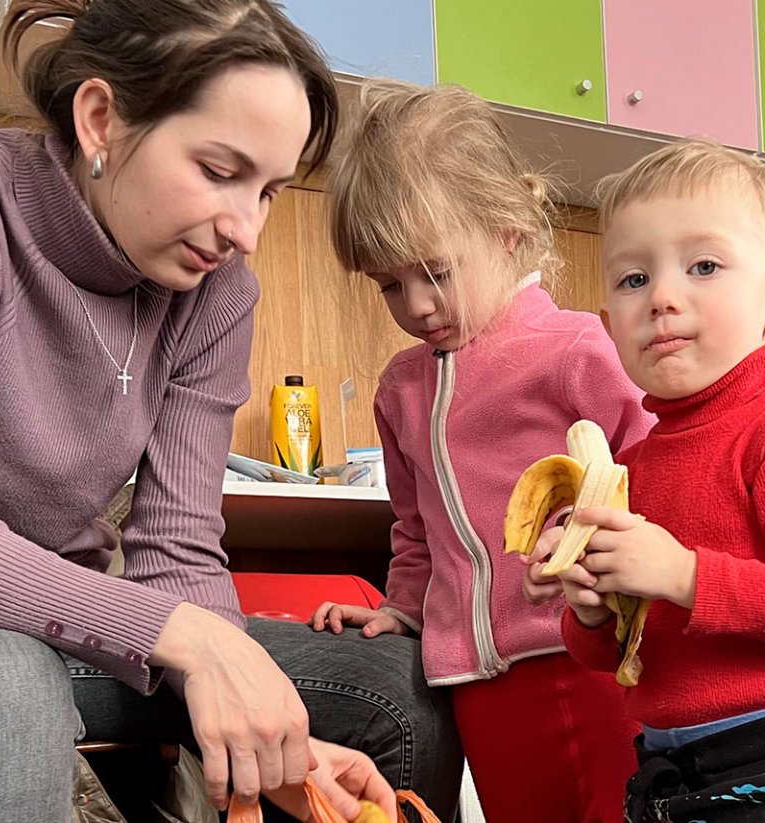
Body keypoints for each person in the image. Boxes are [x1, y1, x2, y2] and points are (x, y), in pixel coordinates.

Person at [0, 2, 458, 820]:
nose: (247, 230)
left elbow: (178, 551)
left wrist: (263, 729)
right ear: (100, 119)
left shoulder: (218, 295)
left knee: (398, 684)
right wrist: (195, 640)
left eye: (268, 190)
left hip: (60, 635)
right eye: (221, 171)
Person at [310, 79, 651, 823]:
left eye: (434, 272)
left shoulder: (573, 347)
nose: (417, 305)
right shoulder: (401, 386)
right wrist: (403, 607)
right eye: (389, 285)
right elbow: (415, 529)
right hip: (477, 688)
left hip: (581, 656)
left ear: (506, 227)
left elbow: (656, 471)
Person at [531, 139, 765, 822]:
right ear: (608, 326)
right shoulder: (628, 465)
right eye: (633, 279)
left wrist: (683, 572)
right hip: (664, 768)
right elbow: (615, 651)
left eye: (704, 266)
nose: (662, 297)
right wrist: (592, 607)